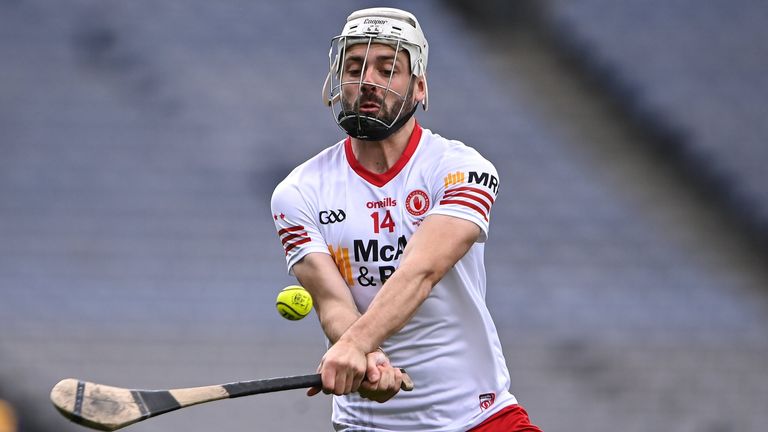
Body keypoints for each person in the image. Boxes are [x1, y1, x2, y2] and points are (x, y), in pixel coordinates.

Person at [271, 7, 542, 431]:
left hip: (478, 416)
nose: (367, 82)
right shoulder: (297, 192)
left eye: (387, 69)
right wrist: (366, 357)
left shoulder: (462, 169)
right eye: (354, 67)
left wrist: (358, 344)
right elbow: (332, 302)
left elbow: (422, 270)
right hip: (367, 424)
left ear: (419, 88)